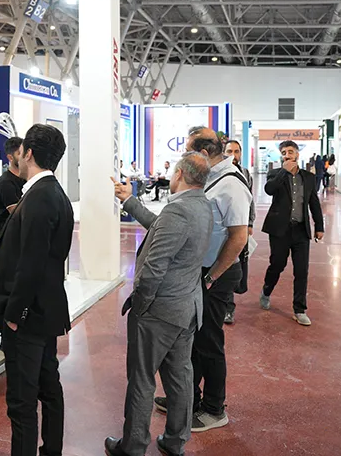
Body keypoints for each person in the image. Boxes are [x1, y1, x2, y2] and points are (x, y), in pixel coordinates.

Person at [104, 153, 214, 456]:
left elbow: (154, 268)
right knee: (180, 377)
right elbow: (160, 228)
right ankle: (176, 441)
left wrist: (140, 305)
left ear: (179, 174)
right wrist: (129, 201)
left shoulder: (178, 210)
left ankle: (133, 445)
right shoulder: (202, 205)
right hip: (187, 308)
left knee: (142, 379)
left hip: (160, 312)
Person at [153, 127, 251, 433]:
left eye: (189, 151)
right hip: (201, 272)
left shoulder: (231, 184)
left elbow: (239, 237)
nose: (185, 157)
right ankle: (188, 399)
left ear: (204, 153)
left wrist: (211, 276)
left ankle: (213, 408)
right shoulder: (210, 178)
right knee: (192, 340)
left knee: (209, 342)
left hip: (216, 274)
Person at [0, 124, 75, 456]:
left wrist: (15, 315)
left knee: (22, 401)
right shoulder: (52, 193)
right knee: (48, 387)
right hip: (43, 310)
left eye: (21, 151)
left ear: (28, 153)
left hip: (28, 317)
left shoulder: (40, 197)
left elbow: (32, 264)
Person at [260, 140, 325, 326]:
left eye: (290, 151)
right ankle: (266, 291)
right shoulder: (275, 174)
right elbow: (269, 190)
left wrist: (319, 226)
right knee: (277, 264)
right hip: (279, 230)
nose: (287, 155)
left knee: (301, 270)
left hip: (301, 230)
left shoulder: (308, 177)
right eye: (283, 152)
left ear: (297, 154)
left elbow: (314, 203)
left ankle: (299, 309)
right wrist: (284, 172)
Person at [223, 140, 255, 325]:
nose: (233, 155)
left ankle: (229, 306)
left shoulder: (245, 173)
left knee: (236, 263)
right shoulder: (218, 172)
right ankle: (227, 306)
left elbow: (250, 200)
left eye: (236, 151)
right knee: (224, 264)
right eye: (229, 151)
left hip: (240, 226)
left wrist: (250, 222)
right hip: (222, 226)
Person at [0, 137, 26, 233]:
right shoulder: (5, 182)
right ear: (10, 157)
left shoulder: (26, 179)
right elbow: (18, 214)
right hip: (10, 236)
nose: (24, 157)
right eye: (19, 153)